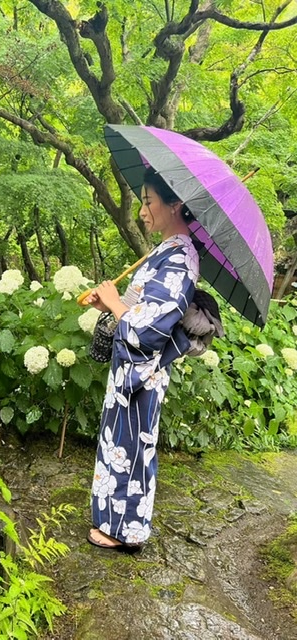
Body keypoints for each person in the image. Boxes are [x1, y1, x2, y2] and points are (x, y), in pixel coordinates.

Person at [85, 167, 200, 550]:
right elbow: (137, 307)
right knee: (120, 444)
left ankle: (126, 531)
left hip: (143, 372)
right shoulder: (164, 251)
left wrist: (118, 305)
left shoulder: (182, 258)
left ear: (175, 204)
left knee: (132, 449)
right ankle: (113, 521)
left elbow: (151, 328)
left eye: (148, 201)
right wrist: (110, 303)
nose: (143, 210)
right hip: (129, 369)